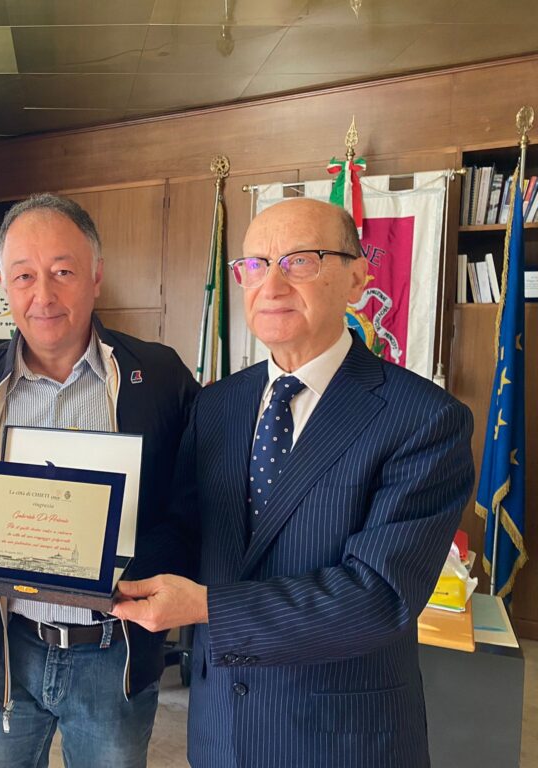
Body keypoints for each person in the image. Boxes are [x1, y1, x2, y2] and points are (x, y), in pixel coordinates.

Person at [112, 197, 474, 768]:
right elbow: (186, 531)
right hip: (221, 728)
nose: (272, 285)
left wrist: (209, 607)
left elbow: (379, 596)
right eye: (254, 265)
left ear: (357, 279)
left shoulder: (424, 418)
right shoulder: (217, 404)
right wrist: (95, 569)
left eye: (300, 260)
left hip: (341, 737)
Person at [0, 194, 199, 768]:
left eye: (63, 272)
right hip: (6, 649)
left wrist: (118, 562)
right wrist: (4, 543)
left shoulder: (160, 377)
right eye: (24, 276)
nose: (43, 295)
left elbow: (190, 507)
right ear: (3, 285)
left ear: (96, 276)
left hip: (113, 651)